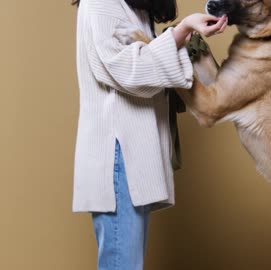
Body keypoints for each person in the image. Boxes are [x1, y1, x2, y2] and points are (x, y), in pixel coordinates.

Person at [71, 0, 227, 269]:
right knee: (123, 264)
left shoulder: (132, 6)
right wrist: (182, 31)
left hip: (129, 156)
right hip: (118, 156)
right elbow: (128, 71)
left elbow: (143, 59)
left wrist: (183, 33)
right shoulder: (101, 3)